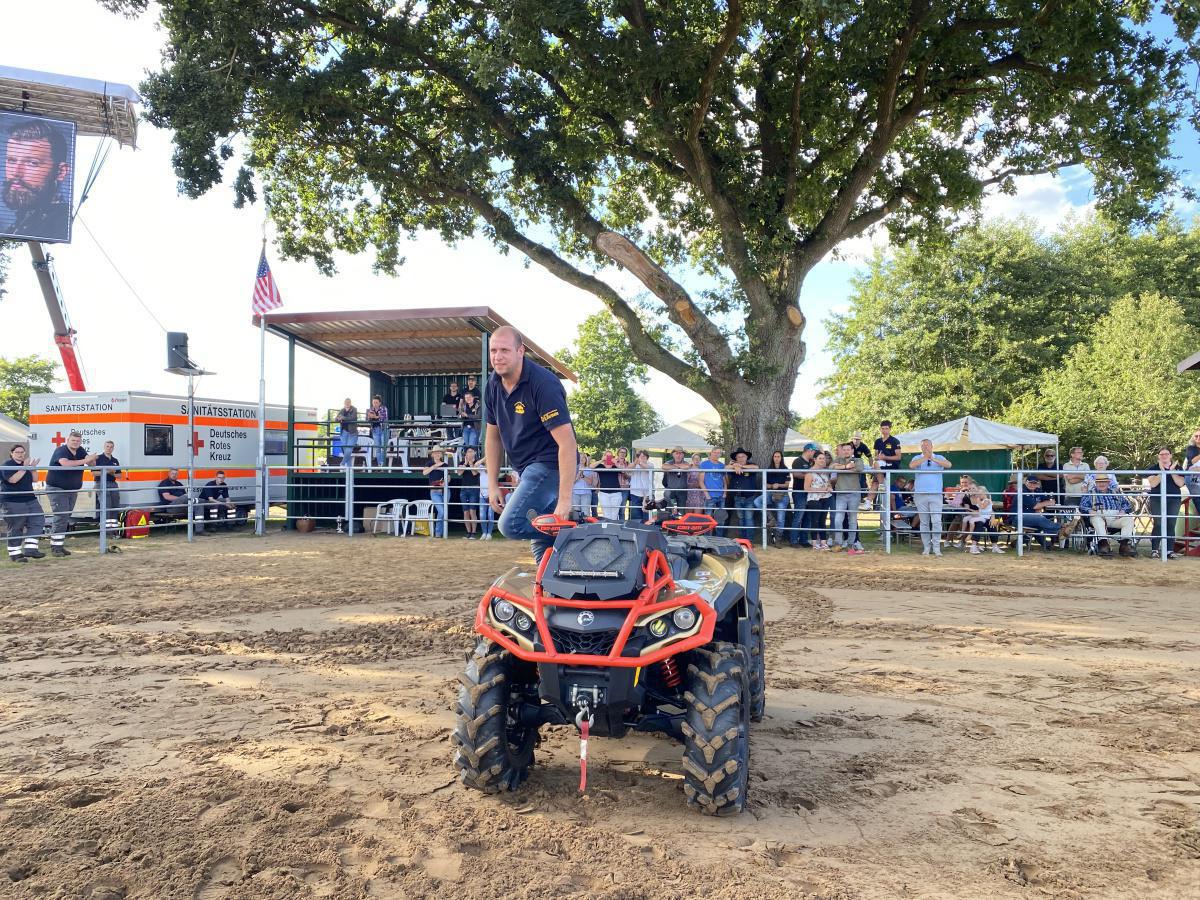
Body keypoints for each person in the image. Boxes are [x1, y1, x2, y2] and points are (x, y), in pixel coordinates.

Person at [484, 326, 578, 563]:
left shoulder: (543, 384)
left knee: (511, 524)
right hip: (525, 467)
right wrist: (492, 484)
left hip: (551, 464)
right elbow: (492, 437)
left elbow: (567, 443)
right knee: (543, 541)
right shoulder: (492, 385)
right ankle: (551, 588)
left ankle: (576, 530)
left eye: (504, 350)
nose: (498, 356)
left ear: (520, 351)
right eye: (493, 350)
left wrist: (565, 499)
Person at [3, 118, 72, 241]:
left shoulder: (58, 225)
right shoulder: (23, 222)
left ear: (61, 172)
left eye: (32, 163)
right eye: (12, 161)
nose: (16, 173)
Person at [45, 431, 96, 557]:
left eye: (78, 441)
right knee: (61, 516)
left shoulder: (81, 451)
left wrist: (91, 460)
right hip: (57, 488)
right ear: (68, 440)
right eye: (73, 440)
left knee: (65, 517)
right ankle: (55, 547)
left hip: (72, 489)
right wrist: (85, 460)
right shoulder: (61, 450)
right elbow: (65, 464)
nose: (76, 443)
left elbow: (92, 464)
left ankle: (59, 545)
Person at [1, 444, 45, 563]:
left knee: (38, 520)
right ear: (12, 453)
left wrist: (33, 468)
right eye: (18, 452)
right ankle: (15, 554)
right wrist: (25, 468)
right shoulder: (7, 465)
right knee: (16, 526)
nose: (20, 454)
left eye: (22, 452)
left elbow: (35, 479)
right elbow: (13, 480)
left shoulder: (25, 466)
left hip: (30, 498)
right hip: (13, 500)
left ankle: (31, 549)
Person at [909, 439, 952, 557]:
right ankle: (926, 547)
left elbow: (949, 464)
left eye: (927, 445)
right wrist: (925, 458)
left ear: (932, 446)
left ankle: (937, 547)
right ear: (920, 447)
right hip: (920, 494)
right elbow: (911, 466)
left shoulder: (939, 457)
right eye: (923, 446)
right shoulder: (916, 458)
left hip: (936, 494)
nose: (926, 447)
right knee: (924, 522)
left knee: (937, 521)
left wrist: (932, 458)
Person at [1080, 473, 1135, 558]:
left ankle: (1124, 545)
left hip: (1116, 517)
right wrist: (1090, 510)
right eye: (1099, 482)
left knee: (1128, 519)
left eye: (1104, 482)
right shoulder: (1090, 493)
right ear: (1095, 483)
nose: (1102, 484)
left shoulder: (1115, 492)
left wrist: (1123, 511)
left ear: (1108, 482)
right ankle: (1103, 544)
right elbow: (1082, 506)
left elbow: (1127, 504)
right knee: (1096, 519)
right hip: (1098, 515)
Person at [1145, 447, 1186, 559]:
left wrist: (1171, 471)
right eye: (1161, 454)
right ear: (1158, 456)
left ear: (1171, 455)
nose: (1164, 456)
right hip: (1157, 498)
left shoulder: (1178, 468)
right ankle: (1155, 550)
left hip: (1173, 499)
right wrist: (1162, 471)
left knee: (1171, 523)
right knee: (1158, 522)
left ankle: (1169, 550)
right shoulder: (1152, 468)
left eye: (1166, 454)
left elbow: (1180, 483)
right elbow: (1153, 484)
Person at [830, 442, 865, 553]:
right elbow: (831, 467)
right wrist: (846, 467)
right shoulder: (837, 460)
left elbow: (859, 468)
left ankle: (851, 544)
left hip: (854, 493)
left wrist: (841, 469)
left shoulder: (858, 460)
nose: (846, 451)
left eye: (848, 449)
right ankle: (838, 543)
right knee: (838, 519)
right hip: (841, 493)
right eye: (844, 449)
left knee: (852, 520)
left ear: (852, 451)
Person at [93, 440, 124, 550]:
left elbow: (119, 475)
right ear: (104, 447)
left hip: (113, 483)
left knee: (115, 508)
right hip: (101, 483)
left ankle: (114, 531)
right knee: (106, 507)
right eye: (107, 446)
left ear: (113, 448)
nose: (109, 448)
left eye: (111, 447)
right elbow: (94, 472)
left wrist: (113, 473)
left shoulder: (115, 460)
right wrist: (106, 471)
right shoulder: (99, 458)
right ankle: (106, 532)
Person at [1019, 473, 1061, 551]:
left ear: (1037, 484)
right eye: (1030, 482)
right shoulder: (1022, 490)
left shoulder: (1038, 490)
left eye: (1034, 483)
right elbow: (1035, 506)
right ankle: (1061, 529)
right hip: (1020, 517)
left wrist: (1042, 504)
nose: (1032, 484)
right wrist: (1043, 504)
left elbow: (1048, 499)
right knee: (1040, 519)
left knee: (1045, 518)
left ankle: (1050, 541)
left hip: (1032, 517)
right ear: (1026, 482)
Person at [726, 448, 760, 541]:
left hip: (749, 497)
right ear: (736, 458)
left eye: (743, 456)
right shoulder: (733, 466)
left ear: (746, 457)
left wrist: (741, 467)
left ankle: (750, 540)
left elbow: (756, 468)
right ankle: (743, 539)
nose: (741, 458)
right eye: (739, 457)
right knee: (741, 519)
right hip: (737, 497)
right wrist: (734, 465)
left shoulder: (751, 465)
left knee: (749, 518)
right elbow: (725, 468)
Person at [788, 443, 817, 548]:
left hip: (809, 493)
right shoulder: (798, 461)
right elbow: (796, 474)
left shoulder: (810, 462)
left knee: (807, 517)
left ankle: (804, 540)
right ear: (808, 450)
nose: (814, 453)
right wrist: (809, 476)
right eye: (813, 451)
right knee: (798, 516)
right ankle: (794, 540)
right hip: (799, 492)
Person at [804, 450, 834, 550]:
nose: (822, 460)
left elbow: (828, 483)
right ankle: (814, 543)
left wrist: (829, 487)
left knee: (823, 520)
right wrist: (822, 489)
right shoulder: (809, 472)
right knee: (815, 521)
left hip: (825, 498)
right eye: (820, 458)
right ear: (815, 459)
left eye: (823, 459)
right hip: (814, 499)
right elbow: (806, 488)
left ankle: (823, 542)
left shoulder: (825, 472)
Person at [869, 420, 902, 509]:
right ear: (880, 429)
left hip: (892, 466)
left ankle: (881, 486)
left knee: (877, 484)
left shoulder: (895, 441)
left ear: (890, 429)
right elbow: (876, 456)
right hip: (881, 465)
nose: (884, 431)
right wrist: (878, 457)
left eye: (886, 428)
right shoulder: (877, 441)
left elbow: (898, 457)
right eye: (883, 428)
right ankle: (868, 502)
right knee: (875, 484)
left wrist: (885, 457)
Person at [763, 450, 791, 545]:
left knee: (781, 517)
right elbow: (764, 484)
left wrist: (778, 485)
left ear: (781, 458)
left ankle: (778, 539)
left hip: (783, 494)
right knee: (758, 502)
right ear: (773, 458)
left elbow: (787, 484)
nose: (777, 458)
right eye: (775, 456)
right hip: (770, 493)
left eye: (778, 456)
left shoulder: (785, 469)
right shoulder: (768, 469)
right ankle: (771, 518)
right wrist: (771, 486)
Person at [422, 446, 450, 538]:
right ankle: (438, 532)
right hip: (434, 491)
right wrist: (435, 466)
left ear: (441, 454)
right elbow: (424, 473)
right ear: (432, 454)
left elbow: (449, 477)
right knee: (441, 511)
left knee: (443, 512)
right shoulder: (429, 463)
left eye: (439, 452)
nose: (437, 454)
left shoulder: (445, 465)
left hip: (445, 490)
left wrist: (445, 482)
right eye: (436, 452)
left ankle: (441, 532)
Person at [698, 447, 727, 529]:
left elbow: (724, 480)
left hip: (721, 495)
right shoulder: (704, 464)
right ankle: (708, 538)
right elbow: (701, 481)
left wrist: (725, 493)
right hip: (710, 495)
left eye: (719, 453)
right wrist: (707, 495)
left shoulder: (722, 465)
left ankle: (720, 538)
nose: (716, 454)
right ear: (711, 453)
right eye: (715, 452)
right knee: (708, 518)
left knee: (721, 518)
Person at [457, 446, 481, 539]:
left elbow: (475, 473)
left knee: (472, 511)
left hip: (474, 489)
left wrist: (471, 464)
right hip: (464, 489)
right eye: (468, 452)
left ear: (474, 453)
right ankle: (468, 532)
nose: (470, 453)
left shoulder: (477, 462)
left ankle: (474, 533)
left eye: (471, 451)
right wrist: (465, 464)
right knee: (466, 512)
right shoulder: (462, 463)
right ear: (465, 454)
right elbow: (459, 473)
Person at [595, 450, 624, 520]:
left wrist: (615, 463)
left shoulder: (615, 466)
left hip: (616, 493)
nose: (608, 457)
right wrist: (601, 460)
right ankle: (607, 530)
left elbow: (623, 470)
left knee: (615, 514)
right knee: (606, 514)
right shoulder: (600, 466)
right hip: (603, 493)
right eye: (607, 456)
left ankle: (614, 529)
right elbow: (591, 466)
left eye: (610, 456)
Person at [849, 431, 873, 510]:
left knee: (862, 479)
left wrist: (871, 467)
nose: (856, 441)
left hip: (859, 465)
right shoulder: (848, 445)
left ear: (860, 440)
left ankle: (861, 496)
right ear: (852, 439)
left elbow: (869, 456)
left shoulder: (863, 446)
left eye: (858, 439)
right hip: (849, 466)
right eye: (855, 439)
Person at [628, 450, 654, 523]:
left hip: (648, 494)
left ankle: (647, 531)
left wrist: (640, 463)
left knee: (647, 515)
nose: (641, 458)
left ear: (647, 458)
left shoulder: (650, 464)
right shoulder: (633, 465)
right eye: (640, 456)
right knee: (636, 516)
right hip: (635, 493)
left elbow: (648, 468)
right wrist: (635, 463)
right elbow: (627, 469)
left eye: (643, 456)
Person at [476, 454, 496, 540]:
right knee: (482, 515)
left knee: (490, 514)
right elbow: (476, 465)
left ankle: (489, 533)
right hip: (482, 496)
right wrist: (486, 458)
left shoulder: (494, 470)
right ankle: (484, 532)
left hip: (492, 495)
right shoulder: (481, 470)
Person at [366, 395, 390, 467]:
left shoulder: (384, 408)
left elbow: (384, 417)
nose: (375, 404)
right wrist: (373, 417)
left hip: (384, 429)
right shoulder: (370, 410)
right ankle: (380, 465)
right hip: (375, 430)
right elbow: (367, 419)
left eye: (376, 402)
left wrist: (374, 417)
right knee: (378, 448)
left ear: (380, 403)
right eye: (373, 402)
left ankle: (383, 464)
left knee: (383, 447)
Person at [336, 398, 359, 466]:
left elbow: (353, 418)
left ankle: (342, 463)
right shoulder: (342, 410)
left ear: (351, 403)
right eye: (346, 402)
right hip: (344, 433)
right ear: (344, 403)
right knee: (346, 451)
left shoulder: (354, 409)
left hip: (352, 433)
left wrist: (343, 418)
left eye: (348, 402)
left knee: (348, 450)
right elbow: (336, 418)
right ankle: (349, 469)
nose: (347, 403)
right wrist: (338, 418)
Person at [572, 452, 594, 518]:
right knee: (576, 512)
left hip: (586, 493)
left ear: (586, 459)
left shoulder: (589, 469)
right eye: (580, 457)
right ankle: (577, 526)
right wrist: (577, 476)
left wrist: (583, 476)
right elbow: (571, 483)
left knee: (585, 512)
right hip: (575, 493)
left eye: (583, 457)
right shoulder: (573, 469)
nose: (581, 459)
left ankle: (586, 526)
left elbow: (590, 482)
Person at [616, 447, 632, 520]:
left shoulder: (628, 463)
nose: (622, 454)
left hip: (625, 488)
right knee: (615, 508)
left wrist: (625, 473)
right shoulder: (614, 462)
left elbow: (630, 476)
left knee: (622, 510)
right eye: (621, 452)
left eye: (624, 452)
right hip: (615, 488)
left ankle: (622, 525)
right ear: (618, 453)